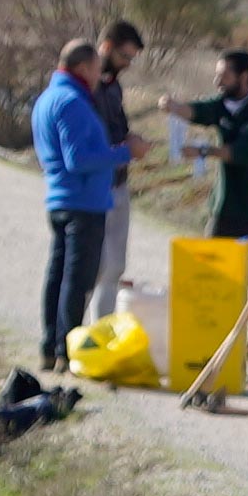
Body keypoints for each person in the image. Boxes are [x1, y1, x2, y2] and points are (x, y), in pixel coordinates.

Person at [178, 46, 248, 378]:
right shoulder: (221, 105)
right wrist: (172, 107)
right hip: (224, 210)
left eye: (223, 75)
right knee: (213, 278)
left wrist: (204, 150)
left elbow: (242, 152)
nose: (217, 80)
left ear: (244, 77)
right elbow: (199, 111)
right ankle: (213, 342)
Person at [25, 38, 112, 369]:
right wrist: (124, 152)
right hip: (83, 203)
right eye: (96, 68)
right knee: (77, 279)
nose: (98, 75)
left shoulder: (47, 98)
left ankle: (51, 345)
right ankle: (68, 350)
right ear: (83, 68)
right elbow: (78, 159)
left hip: (60, 198)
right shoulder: (73, 102)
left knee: (58, 275)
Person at [88, 20, 147, 321]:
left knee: (114, 265)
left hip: (119, 181)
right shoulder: (88, 87)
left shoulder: (114, 87)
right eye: (125, 56)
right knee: (91, 266)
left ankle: (102, 329)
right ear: (107, 47)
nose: (127, 64)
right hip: (96, 186)